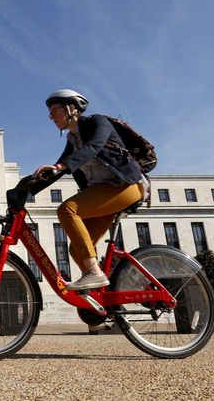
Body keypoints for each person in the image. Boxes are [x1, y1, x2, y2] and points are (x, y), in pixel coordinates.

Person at [33, 89, 145, 291]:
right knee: (77, 251)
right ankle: (107, 297)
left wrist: (60, 167)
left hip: (127, 185)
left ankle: (93, 273)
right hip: (105, 192)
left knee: (68, 209)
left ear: (72, 108)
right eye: (50, 112)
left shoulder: (98, 122)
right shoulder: (72, 140)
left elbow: (93, 146)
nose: (51, 116)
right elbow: (58, 169)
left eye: (55, 110)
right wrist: (24, 190)